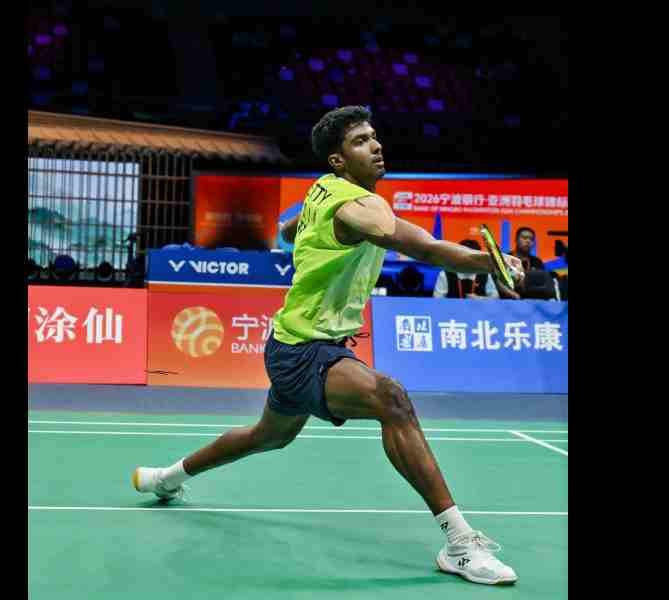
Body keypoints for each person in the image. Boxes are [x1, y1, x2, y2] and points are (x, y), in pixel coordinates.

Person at [132, 106, 524, 586]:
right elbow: (419, 246)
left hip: (294, 342)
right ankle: (459, 543)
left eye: (374, 136)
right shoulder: (357, 207)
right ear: (339, 160)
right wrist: (489, 263)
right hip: (305, 351)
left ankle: (165, 477)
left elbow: (289, 230)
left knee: (267, 436)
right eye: (361, 141)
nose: (376, 146)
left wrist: (293, 235)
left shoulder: (322, 193)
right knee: (392, 399)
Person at [433, 239, 500, 299]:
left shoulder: (485, 274)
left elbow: (495, 297)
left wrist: (480, 298)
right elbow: (437, 299)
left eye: (475, 259)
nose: (470, 262)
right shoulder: (445, 274)